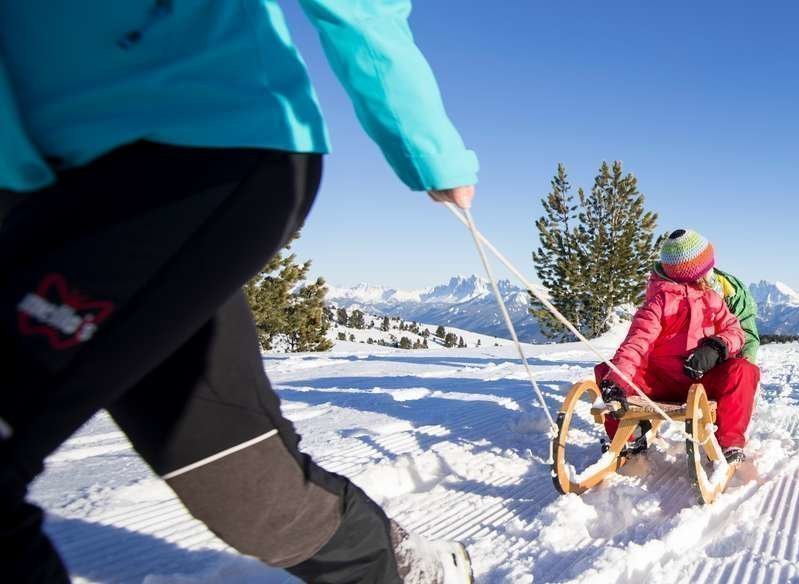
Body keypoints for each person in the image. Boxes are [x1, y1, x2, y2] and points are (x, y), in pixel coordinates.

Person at [1, 2, 478, 582]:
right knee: (238, 476)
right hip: (34, 183)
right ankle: (402, 572)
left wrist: (427, 144)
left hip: (196, 141)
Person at [594, 229, 760, 463]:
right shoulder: (658, 304)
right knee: (608, 372)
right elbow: (636, 344)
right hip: (659, 383)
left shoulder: (712, 299)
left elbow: (735, 332)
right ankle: (630, 437)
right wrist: (617, 382)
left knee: (743, 371)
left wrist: (716, 347)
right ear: (697, 273)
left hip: (701, 381)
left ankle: (730, 443)